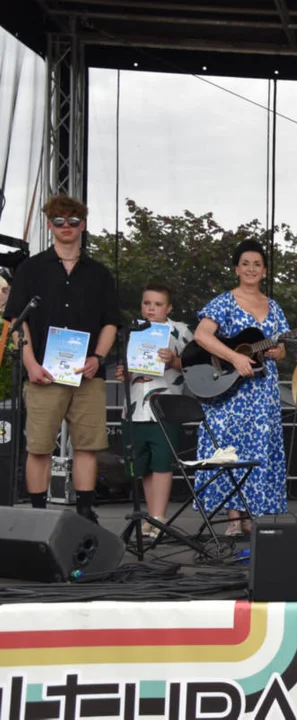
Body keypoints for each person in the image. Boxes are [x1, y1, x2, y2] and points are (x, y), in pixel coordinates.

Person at [3, 195, 121, 522]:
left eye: (72, 221)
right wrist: (30, 363)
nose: (66, 227)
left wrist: (98, 357)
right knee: (39, 446)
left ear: (82, 225)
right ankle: (39, 517)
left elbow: (110, 322)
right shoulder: (30, 269)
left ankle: (85, 512)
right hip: (44, 373)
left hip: (88, 374)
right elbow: (17, 320)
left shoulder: (98, 273)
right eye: (59, 221)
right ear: (49, 225)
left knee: (87, 446)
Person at [192, 240, 288, 537]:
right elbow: (201, 335)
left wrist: (277, 352)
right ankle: (233, 519)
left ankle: (249, 516)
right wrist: (234, 356)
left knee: (257, 447)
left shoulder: (273, 306)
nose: (250, 268)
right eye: (245, 263)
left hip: (263, 391)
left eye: (256, 264)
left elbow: (282, 346)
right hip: (231, 389)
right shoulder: (224, 301)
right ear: (236, 268)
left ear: (264, 270)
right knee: (232, 448)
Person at [116, 283, 193, 538]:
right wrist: (122, 374)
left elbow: (196, 367)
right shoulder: (131, 331)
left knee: (162, 462)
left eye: (158, 304)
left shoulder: (181, 331)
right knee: (145, 465)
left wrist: (174, 361)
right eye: (147, 303)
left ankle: (160, 518)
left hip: (165, 406)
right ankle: (151, 516)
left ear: (169, 307)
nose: (151, 308)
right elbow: (127, 367)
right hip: (135, 406)